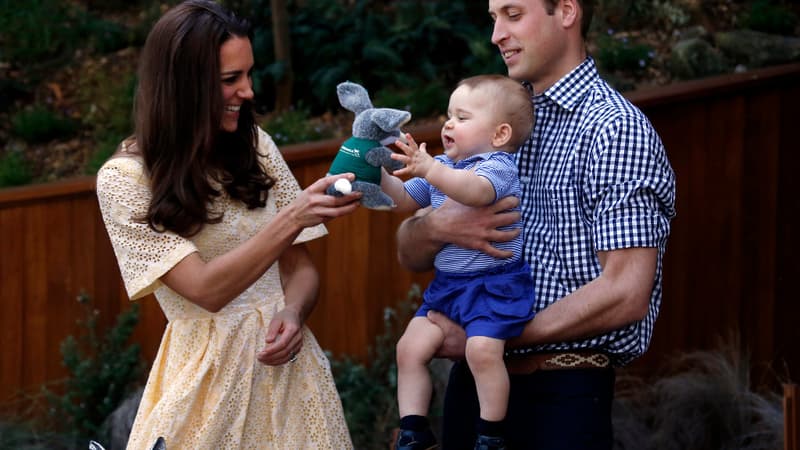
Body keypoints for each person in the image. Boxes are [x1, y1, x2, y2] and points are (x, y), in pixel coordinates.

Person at [395, 0, 677, 449]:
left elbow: (626, 292)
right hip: (473, 388)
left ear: (566, 11)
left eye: (512, 14)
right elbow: (408, 251)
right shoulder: (490, 120)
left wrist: (492, 332)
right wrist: (434, 228)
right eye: (492, 19)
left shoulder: (615, 129)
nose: (496, 35)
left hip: (561, 396)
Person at [94, 1, 360, 448]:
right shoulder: (124, 181)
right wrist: (293, 217)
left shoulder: (255, 145)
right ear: (183, 86)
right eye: (230, 80)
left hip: (290, 380)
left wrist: (293, 312)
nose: (249, 91)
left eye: (249, 75)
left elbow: (300, 268)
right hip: (204, 386)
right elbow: (207, 290)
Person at [382, 75, 536, 450]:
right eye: (449, 116)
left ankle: (490, 434)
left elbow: (476, 192)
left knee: (481, 350)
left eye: (462, 118)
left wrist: (431, 169)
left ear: (500, 134)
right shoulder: (445, 167)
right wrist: (378, 171)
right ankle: (414, 431)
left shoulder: (497, 166)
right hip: (448, 288)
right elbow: (403, 200)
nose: (449, 124)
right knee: (409, 348)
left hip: (493, 285)